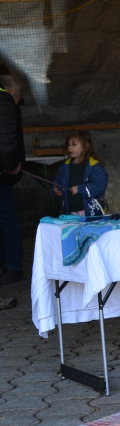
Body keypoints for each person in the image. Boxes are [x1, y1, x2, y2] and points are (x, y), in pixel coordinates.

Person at [0, 74, 26, 288]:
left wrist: (10, 166)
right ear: (11, 92)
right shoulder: (6, 102)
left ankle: (14, 266)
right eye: (18, 98)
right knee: (6, 217)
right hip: (5, 171)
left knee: (6, 216)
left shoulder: (6, 103)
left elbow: (7, 140)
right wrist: (10, 166)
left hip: (4, 173)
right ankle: (11, 266)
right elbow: (7, 140)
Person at [52, 131, 109, 217]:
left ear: (86, 146)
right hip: (71, 213)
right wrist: (56, 190)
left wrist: (80, 189)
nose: (70, 147)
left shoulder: (94, 166)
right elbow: (58, 183)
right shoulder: (65, 167)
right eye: (68, 145)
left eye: (74, 145)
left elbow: (100, 186)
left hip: (91, 214)